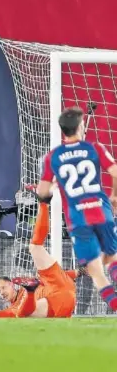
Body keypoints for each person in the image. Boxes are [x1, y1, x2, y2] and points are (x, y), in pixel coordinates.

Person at [36, 106, 117, 312]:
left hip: (78, 219)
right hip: (102, 211)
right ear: (81, 126)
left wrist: (49, 193)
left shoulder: (53, 157)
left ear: (62, 130)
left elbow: (43, 191)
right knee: (112, 258)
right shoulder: (95, 147)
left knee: (95, 270)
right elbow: (115, 172)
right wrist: (114, 196)